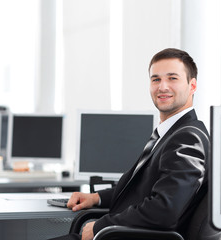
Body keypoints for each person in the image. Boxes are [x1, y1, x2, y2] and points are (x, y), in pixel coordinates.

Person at [52, 48, 210, 240]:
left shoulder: (188, 138)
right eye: (156, 79)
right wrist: (96, 198)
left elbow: (165, 210)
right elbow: (141, 191)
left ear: (192, 86)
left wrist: (100, 226)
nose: (162, 87)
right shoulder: (171, 132)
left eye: (172, 78)